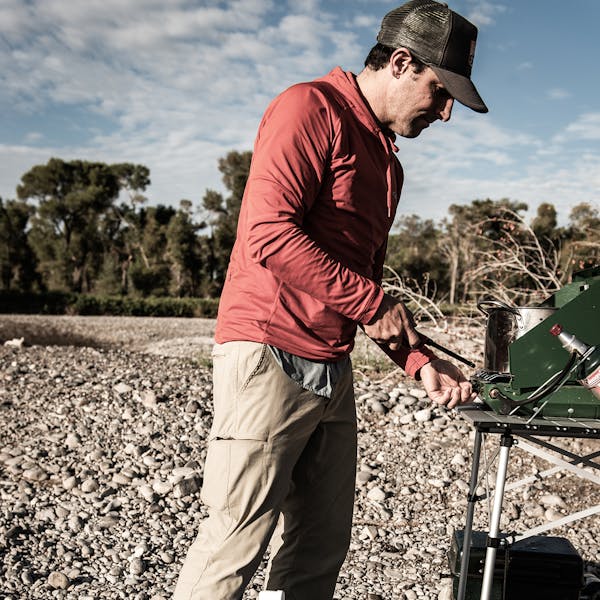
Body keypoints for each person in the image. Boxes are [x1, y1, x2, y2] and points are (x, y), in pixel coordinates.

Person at [174, 1, 487, 598]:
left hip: (331, 366)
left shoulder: (387, 164)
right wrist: (372, 303)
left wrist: (420, 362)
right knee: (233, 543)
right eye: (439, 92)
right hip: (268, 354)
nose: (446, 113)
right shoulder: (308, 108)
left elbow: (362, 281)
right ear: (400, 62)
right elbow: (267, 234)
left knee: (320, 547)